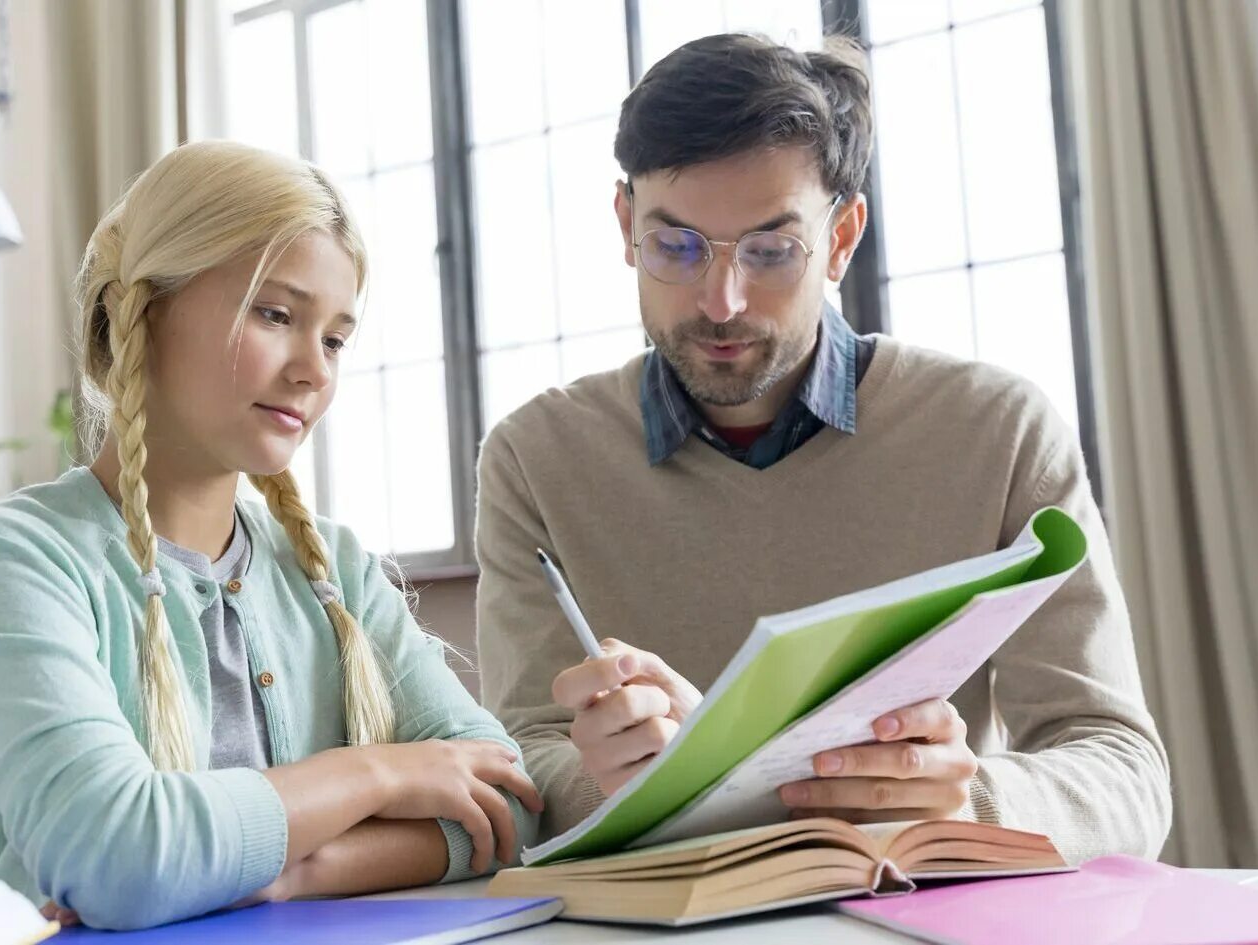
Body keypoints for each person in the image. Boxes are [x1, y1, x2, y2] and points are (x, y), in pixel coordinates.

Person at [475, 34, 1170, 862]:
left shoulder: (999, 430)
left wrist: (968, 797)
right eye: (676, 245)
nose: (721, 301)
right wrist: (611, 778)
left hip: (915, 909)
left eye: (770, 251)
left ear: (842, 238)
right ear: (626, 225)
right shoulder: (534, 457)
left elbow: (1125, 769)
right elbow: (521, 764)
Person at [0, 140, 540, 931]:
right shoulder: (13, 563)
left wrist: (304, 867)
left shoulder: (336, 568)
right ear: (146, 312)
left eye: (335, 338)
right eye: (277, 314)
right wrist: (380, 776)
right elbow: (119, 860)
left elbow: (511, 803)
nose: (315, 370)